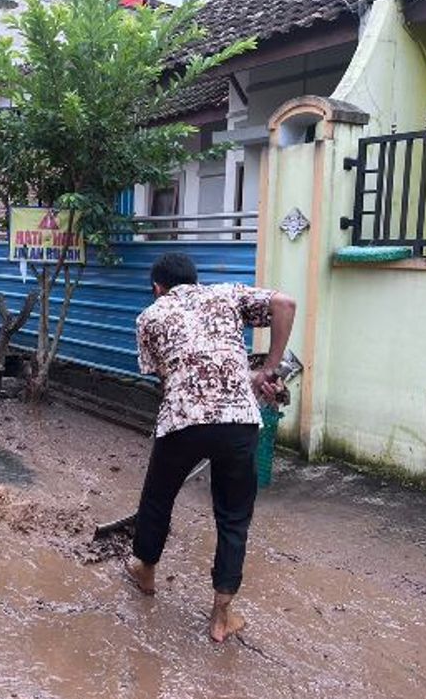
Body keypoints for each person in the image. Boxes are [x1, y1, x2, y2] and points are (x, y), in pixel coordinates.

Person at [123, 252, 296, 644]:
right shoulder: (227, 294)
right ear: (195, 280)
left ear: (157, 288)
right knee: (233, 517)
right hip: (238, 421)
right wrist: (267, 369)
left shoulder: (149, 316)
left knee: (157, 498)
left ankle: (145, 572)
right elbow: (285, 304)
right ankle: (221, 615)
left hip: (182, 419)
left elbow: (166, 378)